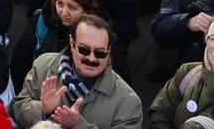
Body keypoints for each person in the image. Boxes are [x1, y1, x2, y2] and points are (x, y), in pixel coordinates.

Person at [12, 13, 142, 129]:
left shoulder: (128, 102)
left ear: (109, 51)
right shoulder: (43, 65)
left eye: (100, 53)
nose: (92, 58)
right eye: (84, 50)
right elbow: (17, 108)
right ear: (72, 43)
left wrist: (78, 125)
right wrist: (43, 111)